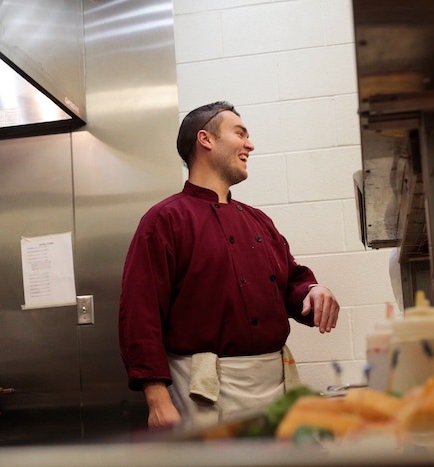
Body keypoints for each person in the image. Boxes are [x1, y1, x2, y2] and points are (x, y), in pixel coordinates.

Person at [118, 101, 340, 430]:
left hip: (275, 384)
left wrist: (312, 290)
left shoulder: (258, 220)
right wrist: (157, 398)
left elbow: (290, 281)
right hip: (202, 391)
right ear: (205, 140)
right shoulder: (164, 220)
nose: (250, 144)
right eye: (240, 133)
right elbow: (140, 313)